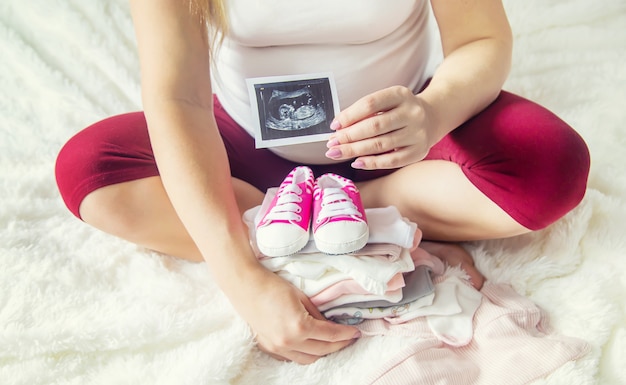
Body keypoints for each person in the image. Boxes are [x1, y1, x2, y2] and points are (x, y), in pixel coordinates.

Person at [54, 0, 590, 365]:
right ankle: (355, 224)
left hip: (397, 149)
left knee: (552, 168)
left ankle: (355, 209)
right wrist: (240, 279)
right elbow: (178, 98)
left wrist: (431, 113)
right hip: (245, 146)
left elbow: (480, 37)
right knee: (89, 173)